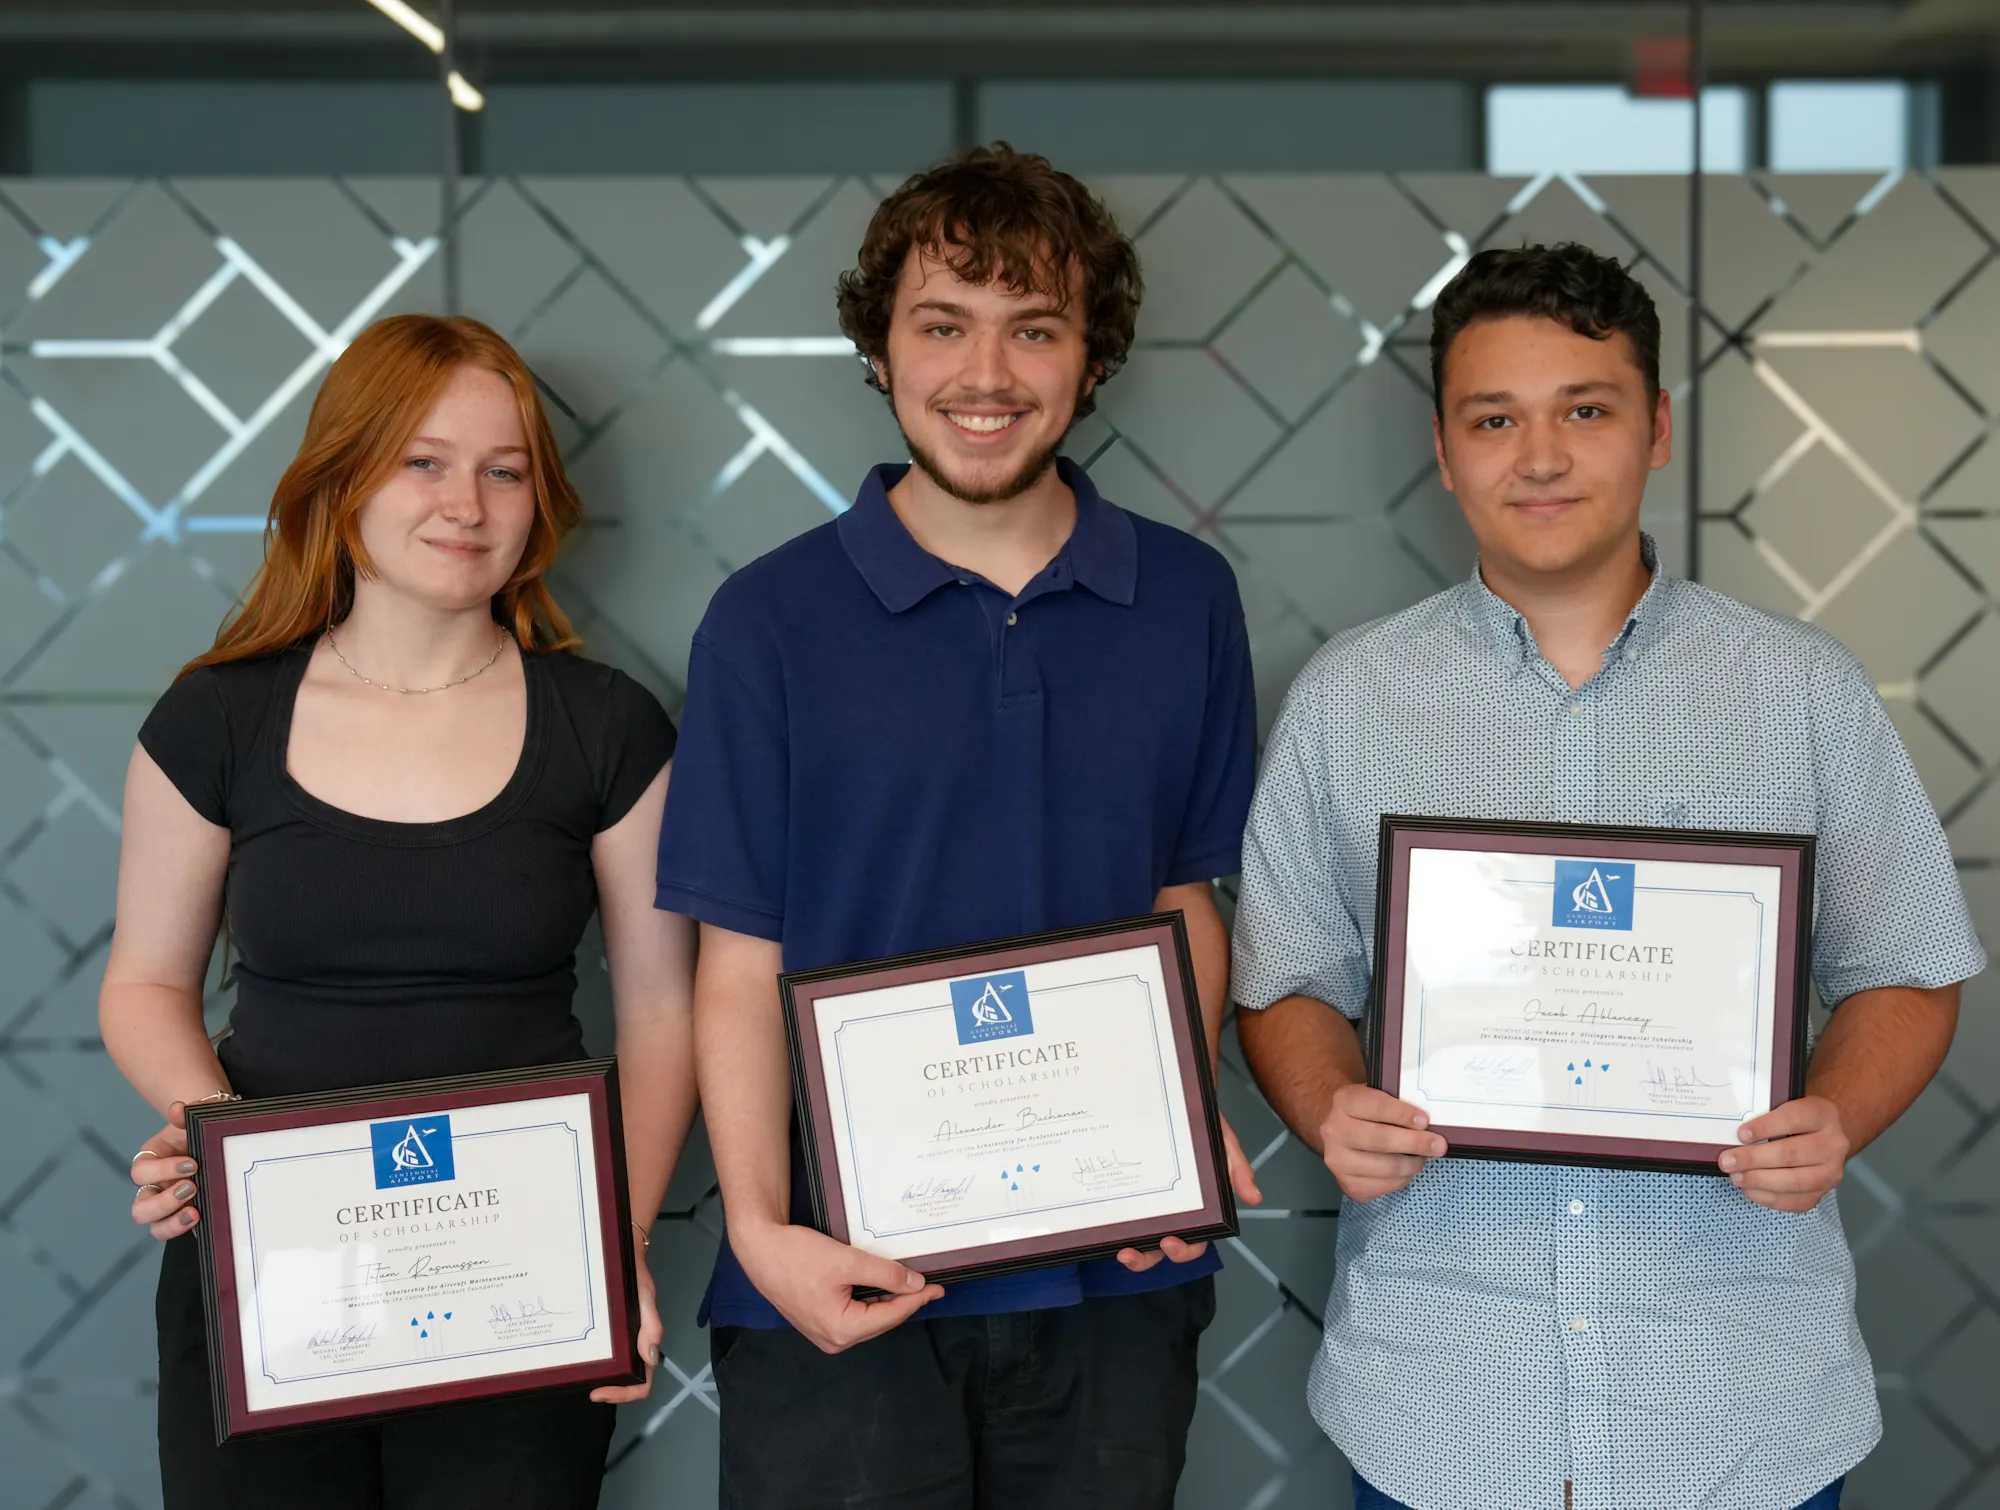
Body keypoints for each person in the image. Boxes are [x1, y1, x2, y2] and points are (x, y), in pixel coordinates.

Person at [1231, 242, 1987, 1510]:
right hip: (1440, 1401)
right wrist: (1325, 1105)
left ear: (1656, 430)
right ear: (1442, 447)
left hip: (1742, 1405)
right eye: (1493, 418)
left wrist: (1834, 1116)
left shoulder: (1798, 692)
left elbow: (1907, 970)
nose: (1538, 456)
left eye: (1584, 409)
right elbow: (1284, 981)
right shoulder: (1346, 701)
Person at [655, 143, 1263, 1509]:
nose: (984, 375)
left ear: (1091, 355)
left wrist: (1182, 1126)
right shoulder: (768, 622)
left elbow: (1185, 898)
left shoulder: (1182, 599)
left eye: (1032, 328)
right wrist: (759, 1230)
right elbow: (737, 961)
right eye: (942, 323)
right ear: (880, 345)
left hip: (1115, 1274)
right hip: (837, 1280)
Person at [101, 314, 697, 1509]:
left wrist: (614, 1246)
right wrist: (228, 1156)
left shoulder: (610, 726)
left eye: (504, 469)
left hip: (522, 1269)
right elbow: (144, 986)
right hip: (271, 1271)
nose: (465, 503)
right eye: (422, 461)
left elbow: (664, 1013)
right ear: (343, 477)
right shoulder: (215, 719)